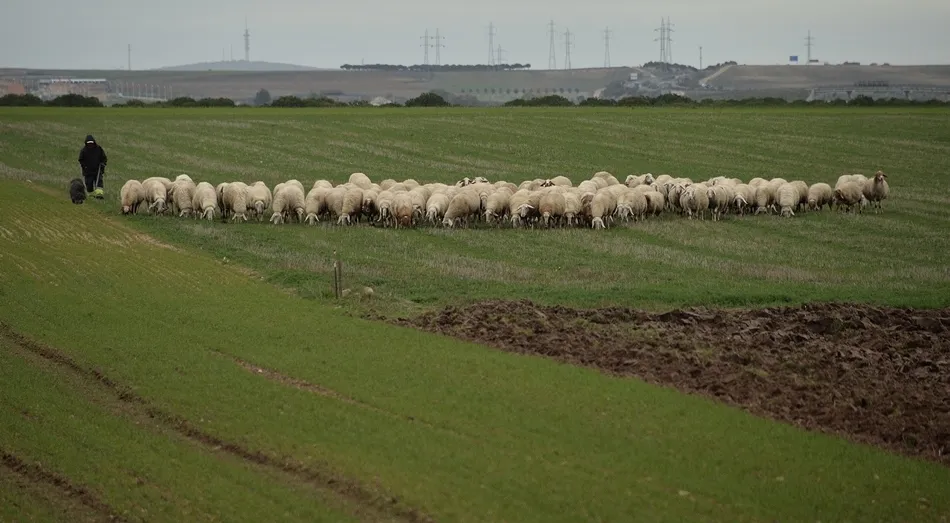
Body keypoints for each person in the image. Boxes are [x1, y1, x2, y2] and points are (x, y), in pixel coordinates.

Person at [78, 134, 107, 199]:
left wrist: (103, 164)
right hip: (88, 171)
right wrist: (84, 166)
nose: (90, 145)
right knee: (89, 183)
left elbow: (104, 158)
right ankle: (90, 194)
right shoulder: (84, 150)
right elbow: (80, 159)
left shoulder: (98, 149)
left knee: (99, 182)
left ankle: (99, 195)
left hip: (98, 170)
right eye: (89, 143)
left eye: (91, 143)